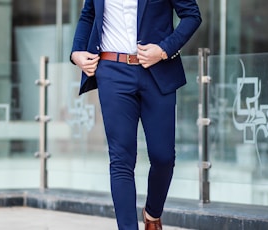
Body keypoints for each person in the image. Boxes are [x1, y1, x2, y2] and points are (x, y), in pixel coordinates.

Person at [70, 0, 201, 229]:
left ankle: (152, 213)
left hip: (156, 70)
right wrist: (77, 53)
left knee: (163, 157)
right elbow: (88, 15)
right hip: (112, 72)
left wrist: (163, 50)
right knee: (121, 160)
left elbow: (192, 15)